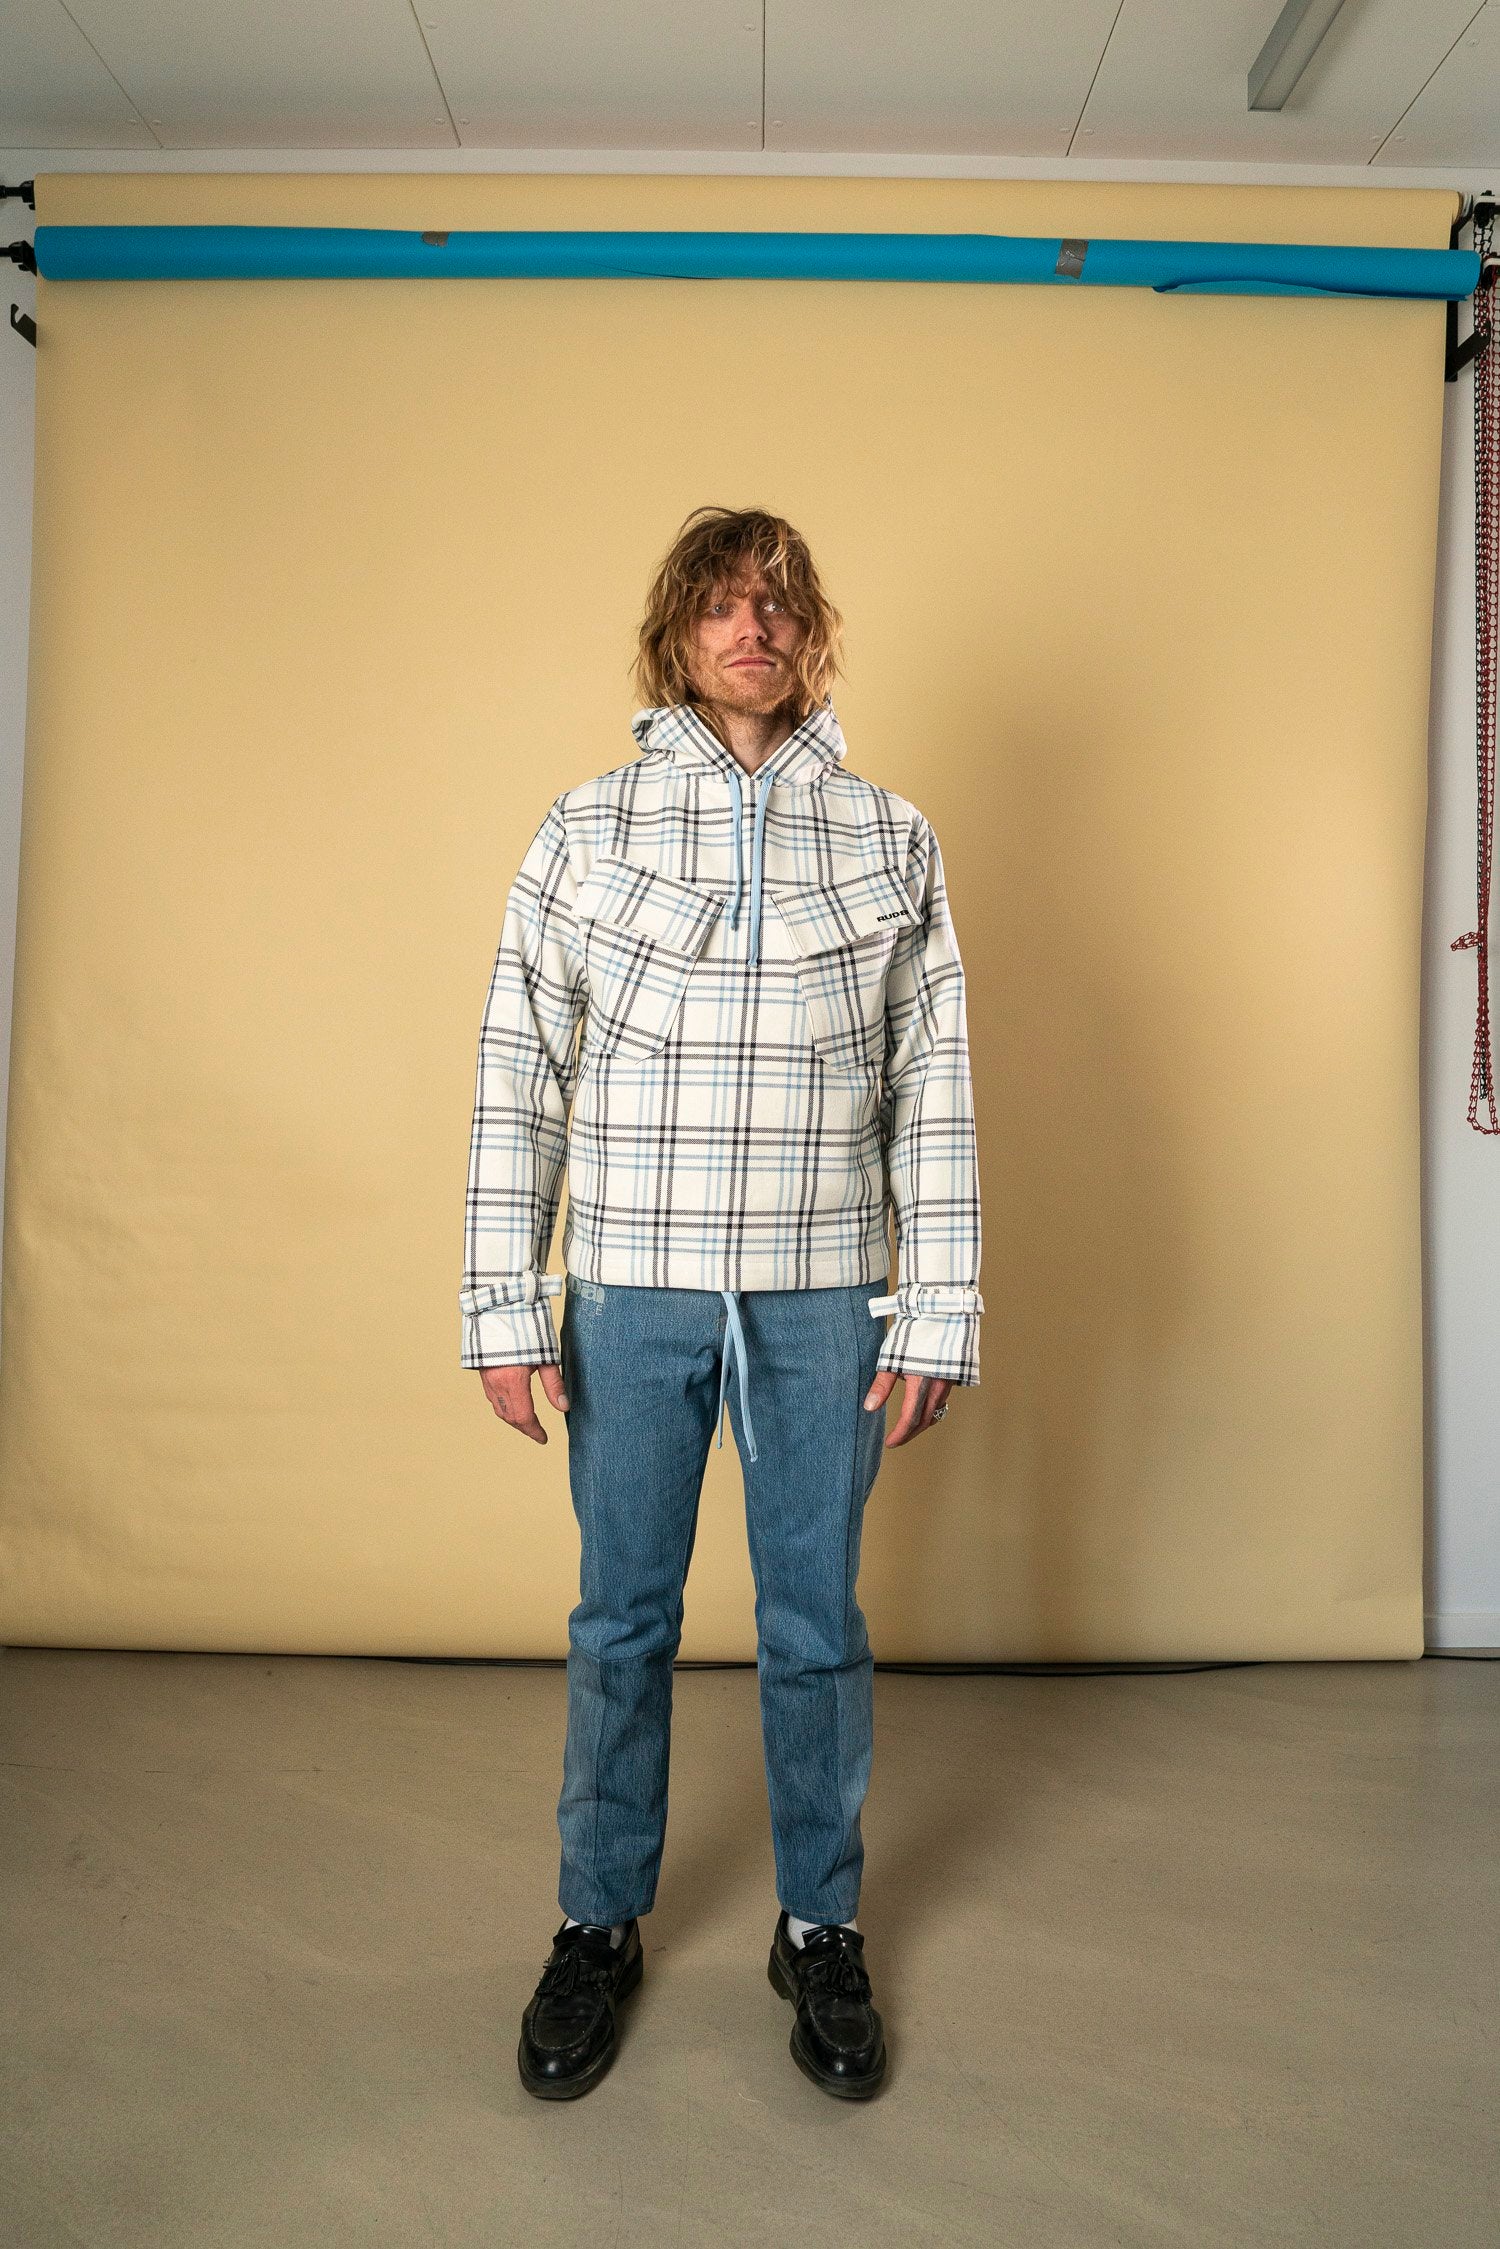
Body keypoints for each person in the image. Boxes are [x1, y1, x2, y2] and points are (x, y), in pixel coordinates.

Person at [460, 504, 983, 2102]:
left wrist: (940, 1301)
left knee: (815, 1626)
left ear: (810, 634)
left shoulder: (890, 835)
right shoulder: (588, 828)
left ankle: (819, 1924)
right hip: (630, 1285)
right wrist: (504, 1300)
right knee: (620, 1617)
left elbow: (932, 1081)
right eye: (718, 605)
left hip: (828, 1290)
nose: (748, 627)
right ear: (677, 637)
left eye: (775, 603)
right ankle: (595, 1920)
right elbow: (517, 1069)